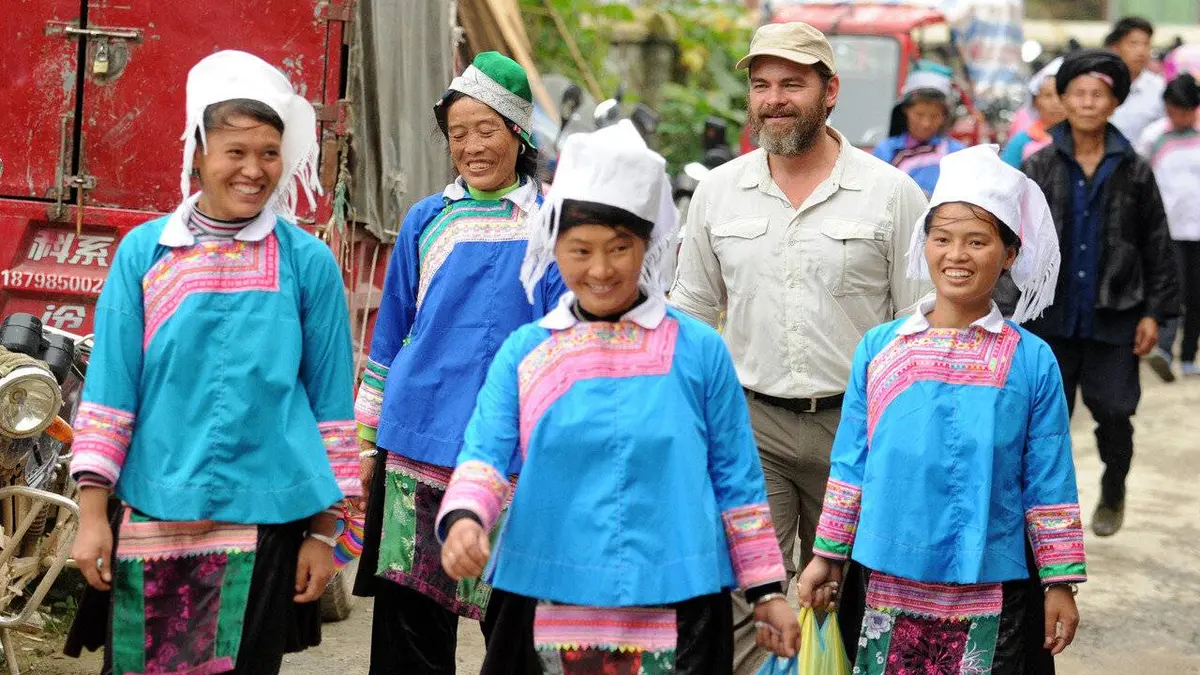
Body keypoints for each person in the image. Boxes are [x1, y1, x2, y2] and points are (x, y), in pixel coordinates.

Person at [436, 120, 794, 675]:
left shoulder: (698, 351)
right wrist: (465, 519)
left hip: (681, 593)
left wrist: (767, 590)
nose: (600, 270)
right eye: (580, 250)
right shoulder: (526, 352)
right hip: (544, 586)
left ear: (647, 245)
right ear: (554, 246)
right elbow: (485, 451)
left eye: (619, 248)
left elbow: (736, 475)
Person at [64, 50, 356, 674]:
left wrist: (325, 532)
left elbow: (331, 402)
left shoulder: (309, 264)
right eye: (236, 151)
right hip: (151, 507)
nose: (254, 170)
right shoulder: (144, 253)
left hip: (268, 519)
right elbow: (112, 389)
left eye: (269, 153)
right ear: (198, 150)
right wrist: (92, 517)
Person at [669, 21, 930, 675]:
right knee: (741, 589)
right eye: (761, 85)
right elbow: (691, 316)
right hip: (749, 424)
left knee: (854, 592)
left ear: (830, 90)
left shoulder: (891, 194)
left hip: (856, 427)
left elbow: (917, 326)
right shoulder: (717, 191)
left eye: (792, 83)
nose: (774, 98)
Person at [797, 144, 1086, 675]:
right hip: (883, 575)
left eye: (978, 241)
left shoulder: (1032, 360)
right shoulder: (879, 347)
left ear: (1009, 254)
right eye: (942, 238)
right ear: (924, 244)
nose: (957, 255)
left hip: (994, 582)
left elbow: (1048, 478)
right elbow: (851, 463)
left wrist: (1059, 582)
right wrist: (826, 556)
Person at [352, 51, 566, 674]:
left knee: (517, 628)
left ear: (519, 132)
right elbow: (390, 336)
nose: (471, 146)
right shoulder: (428, 219)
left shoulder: (553, 223)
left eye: (486, 129)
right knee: (408, 627)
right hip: (417, 446)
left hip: (516, 453)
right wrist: (366, 443)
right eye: (457, 134)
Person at [1021, 49, 1179, 538]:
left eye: (1100, 95)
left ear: (1114, 103)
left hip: (1115, 314)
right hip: (1050, 317)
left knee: (1114, 411)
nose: (1089, 103)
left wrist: (1157, 314)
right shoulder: (1039, 166)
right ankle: (1042, 519)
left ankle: (1114, 484)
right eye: (1079, 94)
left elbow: (1157, 241)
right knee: (1045, 424)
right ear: (1062, 100)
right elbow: (1015, 240)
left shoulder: (1133, 167)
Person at [1138, 74, 1200, 381]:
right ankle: (1163, 348)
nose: (1181, 117)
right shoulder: (1153, 137)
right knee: (1173, 291)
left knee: (1197, 295)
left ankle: (1189, 356)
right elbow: (1139, 180)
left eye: (1187, 111)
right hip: (1168, 229)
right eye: (1176, 110)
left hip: (1198, 227)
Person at [873, 63, 967, 195]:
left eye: (934, 116)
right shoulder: (886, 151)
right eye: (919, 114)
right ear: (905, 110)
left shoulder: (956, 153)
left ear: (945, 116)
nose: (926, 123)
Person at [1106, 16, 1165, 142]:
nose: (1141, 51)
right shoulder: (1101, 85)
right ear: (1115, 48)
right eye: (1133, 44)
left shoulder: (1160, 88)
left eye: (1146, 44)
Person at [1002, 58, 1066, 168]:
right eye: (1047, 96)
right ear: (1035, 102)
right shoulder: (1022, 141)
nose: (1056, 103)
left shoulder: (1082, 140)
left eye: (1061, 95)